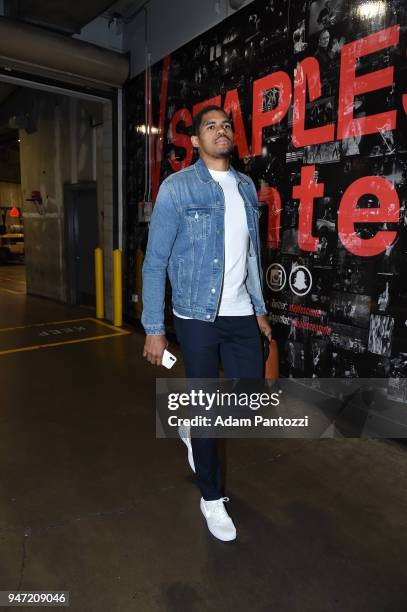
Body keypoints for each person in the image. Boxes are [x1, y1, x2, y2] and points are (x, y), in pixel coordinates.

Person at [141, 105, 272, 542]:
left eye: (226, 125)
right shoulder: (176, 189)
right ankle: (211, 498)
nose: (221, 130)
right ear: (195, 140)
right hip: (195, 316)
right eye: (210, 126)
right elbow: (155, 260)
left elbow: (252, 256)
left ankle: (189, 426)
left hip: (239, 312)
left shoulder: (246, 187)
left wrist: (259, 310)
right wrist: (154, 328)